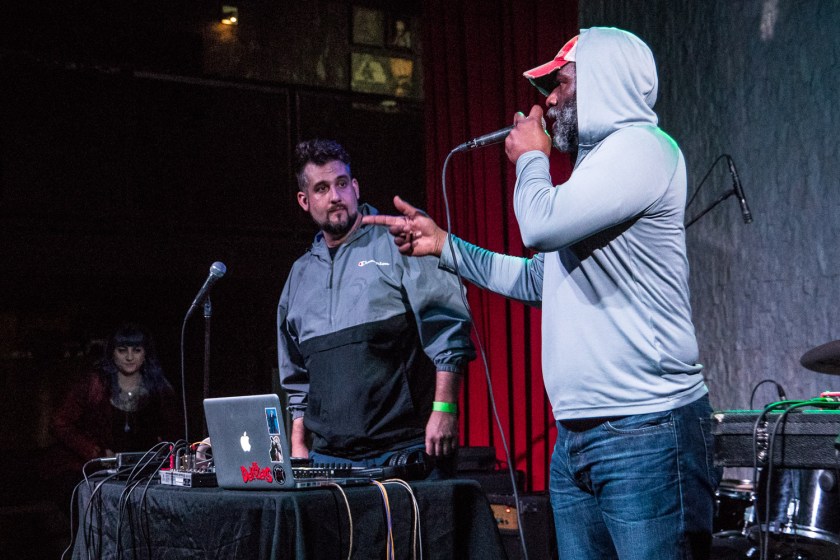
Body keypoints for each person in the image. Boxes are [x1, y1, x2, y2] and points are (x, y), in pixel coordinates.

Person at [364, 27, 721, 560]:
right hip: (576, 435)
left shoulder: (643, 150)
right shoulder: (593, 172)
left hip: (644, 431)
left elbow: (539, 225)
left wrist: (531, 157)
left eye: (563, 82)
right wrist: (445, 246)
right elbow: (539, 278)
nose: (547, 100)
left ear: (605, 82)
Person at [277, 139, 475, 474]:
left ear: (355, 186)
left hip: (404, 451)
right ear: (304, 200)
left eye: (342, 183)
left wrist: (445, 409)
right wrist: (298, 443)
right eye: (322, 188)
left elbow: (448, 325)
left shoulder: (398, 241)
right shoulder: (300, 275)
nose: (335, 196)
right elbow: (296, 373)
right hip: (330, 462)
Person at [48, 323, 179, 505]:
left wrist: (160, 454)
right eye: (122, 350)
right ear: (112, 352)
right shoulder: (95, 384)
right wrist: (96, 452)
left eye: (137, 350)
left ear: (145, 353)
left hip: (142, 471)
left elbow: (171, 431)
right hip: (93, 471)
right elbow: (59, 424)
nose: (130, 357)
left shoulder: (159, 388)